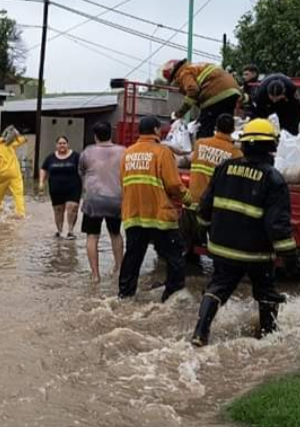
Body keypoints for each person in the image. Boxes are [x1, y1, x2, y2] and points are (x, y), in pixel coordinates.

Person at [191, 119, 298, 347]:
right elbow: (276, 224)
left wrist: (202, 229)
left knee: (217, 288)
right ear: (271, 147)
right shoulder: (273, 178)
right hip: (256, 254)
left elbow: (205, 206)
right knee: (266, 292)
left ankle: (200, 333)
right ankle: (268, 339)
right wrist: (288, 255)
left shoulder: (224, 168)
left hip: (222, 248)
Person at [119, 116, 192, 303]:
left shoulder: (128, 153)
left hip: (133, 214)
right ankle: (172, 298)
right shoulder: (162, 152)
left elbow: (123, 181)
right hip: (159, 216)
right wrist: (188, 199)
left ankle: (124, 296)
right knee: (175, 257)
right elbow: (174, 184)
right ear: (157, 130)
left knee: (132, 257)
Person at [180, 114, 242, 259]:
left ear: (216, 127)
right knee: (218, 249)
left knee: (182, 248)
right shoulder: (236, 153)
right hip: (212, 208)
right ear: (233, 129)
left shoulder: (200, 144)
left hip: (191, 203)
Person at [78, 121, 126, 283]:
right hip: (116, 199)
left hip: (93, 200)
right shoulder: (123, 151)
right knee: (115, 234)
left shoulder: (87, 152)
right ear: (110, 134)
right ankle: (119, 269)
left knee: (92, 236)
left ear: (95, 136)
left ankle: (95, 274)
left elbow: (82, 172)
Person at [162, 59, 243, 139]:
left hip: (216, 94)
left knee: (204, 130)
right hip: (233, 92)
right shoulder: (195, 67)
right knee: (225, 127)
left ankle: (203, 151)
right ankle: (226, 149)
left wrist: (179, 113)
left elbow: (193, 91)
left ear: (173, 75)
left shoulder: (183, 73)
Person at [40, 136, 82, 239]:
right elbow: (44, 169)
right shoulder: (50, 158)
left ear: (68, 145)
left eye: (64, 143)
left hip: (73, 187)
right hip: (56, 188)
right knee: (58, 210)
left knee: (72, 207)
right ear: (56, 145)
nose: (62, 145)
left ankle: (71, 231)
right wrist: (41, 182)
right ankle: (59, 230)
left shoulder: (76, 156)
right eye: (60, 143)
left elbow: (83, 168)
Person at [0, 126, 29, 217]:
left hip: (1, 175)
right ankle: (20, 213)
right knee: (18, 195)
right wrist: (16, 133)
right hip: (15, 173)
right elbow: (24, 139)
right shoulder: (9, 144)